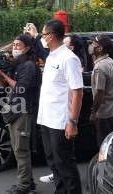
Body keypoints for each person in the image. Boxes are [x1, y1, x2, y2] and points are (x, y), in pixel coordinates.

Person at [37, 20, 84, 194]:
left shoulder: (69, 58)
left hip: (61, 121)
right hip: (46, 119)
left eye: (43, 34)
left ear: (50, 36)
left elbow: (77, 92)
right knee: (53, 162)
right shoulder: (51, 56)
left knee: (65, 163)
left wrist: (72, 121)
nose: (42, 37)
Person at [0, 35, 41, 194]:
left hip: (23, 111)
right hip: (14, 110)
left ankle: (24, 186)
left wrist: (4, 75)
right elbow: (8, 86)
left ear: (27, 47)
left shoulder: (29, 66)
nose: (14, 47)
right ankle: (28, 183)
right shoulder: (18, 64)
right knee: (18, 149)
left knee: (21, 150)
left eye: (18, 45)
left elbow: (21, 87)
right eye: (13, 44)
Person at [88, 35, 113, 146]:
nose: (91, 46)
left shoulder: (100, 67)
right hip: (112, 110)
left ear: (100, 48)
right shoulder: (110, 61)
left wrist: (94, 113)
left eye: (94, 44)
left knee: (104, 145)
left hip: (103, 113)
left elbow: (99, 93)